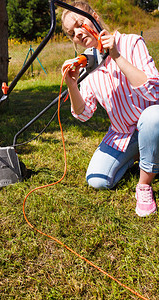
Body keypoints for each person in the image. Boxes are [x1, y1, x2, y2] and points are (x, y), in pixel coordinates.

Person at [61, 1, 159, 217]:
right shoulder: (88, 65)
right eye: (71, 33)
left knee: (154, 117)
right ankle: (147, 155)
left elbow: (154, 91)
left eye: (80, 23)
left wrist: (116, 55)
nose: (77, 33)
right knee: (97, 180)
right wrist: (72, 84)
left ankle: (144, 184)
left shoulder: (131, 43)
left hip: (152, 124)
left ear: (94, 17)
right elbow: (83, 114)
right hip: (123, 134)